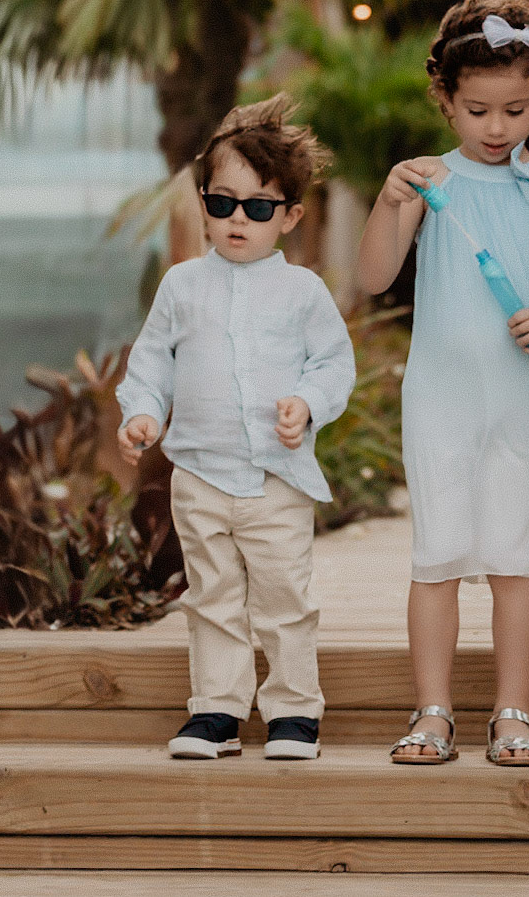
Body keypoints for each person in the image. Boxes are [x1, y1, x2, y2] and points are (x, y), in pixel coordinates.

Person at [356, 0, 529, 769]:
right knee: (436, 557)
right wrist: (388, 198)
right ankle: (432, 711)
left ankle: (513, 712)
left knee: (514, 559)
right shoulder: (431, 181)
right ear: (445, 98)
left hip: (521, 403)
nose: (496, 127)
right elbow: (374, 276)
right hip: (442, 398)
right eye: (477, 109)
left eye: (514, 108)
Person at [116, 95, 355, 762]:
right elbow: (151, 362)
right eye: (223, 203)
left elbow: (335, 363)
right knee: (212, 596)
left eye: (257, 206)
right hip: (198, 473)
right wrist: (142, 410)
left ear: (290, 215)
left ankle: (292, 711)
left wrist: (307, 401)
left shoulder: (303, 292)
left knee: (283, 597)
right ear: (203, 203)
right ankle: (217, 710)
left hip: (276, 478)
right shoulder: (181, 286)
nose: (237, 220)